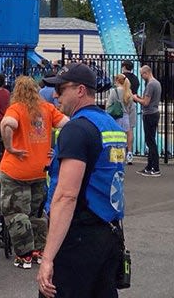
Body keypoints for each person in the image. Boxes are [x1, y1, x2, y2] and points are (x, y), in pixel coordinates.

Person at [36, 63, 127, 298]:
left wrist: (47, 258)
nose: (56, 95)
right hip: (108, 230)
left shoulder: (76, 129)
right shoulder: (110, 125)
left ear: (80, 90)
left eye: (61, 89)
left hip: (78, 235)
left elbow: (67, 195)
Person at [0, 76, 68, 268]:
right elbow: (68, 123)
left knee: (16, 213)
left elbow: (7, 125)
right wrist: (59, 149)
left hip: (16, 170)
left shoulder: (17, 109)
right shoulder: (47, 109)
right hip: (39, 170)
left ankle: (25, 254)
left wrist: (10, 147)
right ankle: (39, 250)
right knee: (37, 214)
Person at [132, 63, 163, 177]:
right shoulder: (157, 83)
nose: (141, 77)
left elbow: (146, 102)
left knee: (150, 141)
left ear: (146, 73)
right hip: (154, 112)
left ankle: (155, 167)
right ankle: (149, 166)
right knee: (150, 140)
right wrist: (141, 98)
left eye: (142, 74)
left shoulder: (150, 85)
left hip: (149, 114)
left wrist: (135, 98)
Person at [112, 73, 135, 163]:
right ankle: (129, 153)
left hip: (117, 116)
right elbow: (131, 107)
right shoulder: (129, 92)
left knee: (117, 136)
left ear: (117, 80)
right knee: (128, 134)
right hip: (126, 116)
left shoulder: (114, 91)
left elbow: (109, 104)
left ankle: (118, 156)